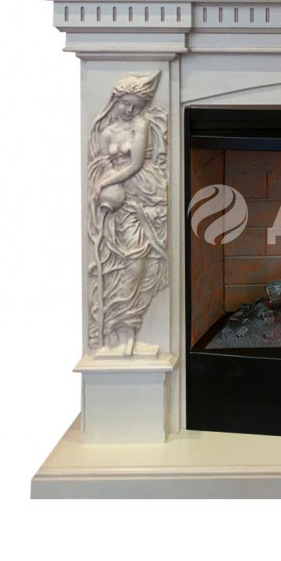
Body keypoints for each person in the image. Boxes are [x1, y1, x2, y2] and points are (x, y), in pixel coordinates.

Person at [87, 71, 168, 356]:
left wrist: (104, 183)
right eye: (126, 104)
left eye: (136, 106)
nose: (130, 110)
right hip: (118, 198)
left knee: (140, 262)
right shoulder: (105, 131)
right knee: (119, 262)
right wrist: (104, 185)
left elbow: (135, 164)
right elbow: (101, 164)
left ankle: (130, 333)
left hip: (143, 191)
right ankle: (114, 336)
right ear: (116, 99)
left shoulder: (140, 124)